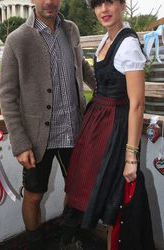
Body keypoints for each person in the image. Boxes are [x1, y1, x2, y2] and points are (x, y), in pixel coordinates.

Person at [0, 0, 96, 249]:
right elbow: (7, 95)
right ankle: (35, 244)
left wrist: (107, 89)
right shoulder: (16, 40)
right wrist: (20, 143)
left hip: (74, 129)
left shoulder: (71, 29)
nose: (49, 2)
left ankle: (67, 237)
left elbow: (81, 66)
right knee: (33, 194)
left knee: (75, 192)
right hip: (36, 137)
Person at [65, 0, 155, 249]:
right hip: (98, 126)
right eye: (97, 4)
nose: (103, 10)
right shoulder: (107, 40)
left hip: (115, 129)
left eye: (109, 2)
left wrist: (131, 156)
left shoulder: (128, 44)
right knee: (100, 197)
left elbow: (137, 104)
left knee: (117, 202)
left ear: (122, 4)